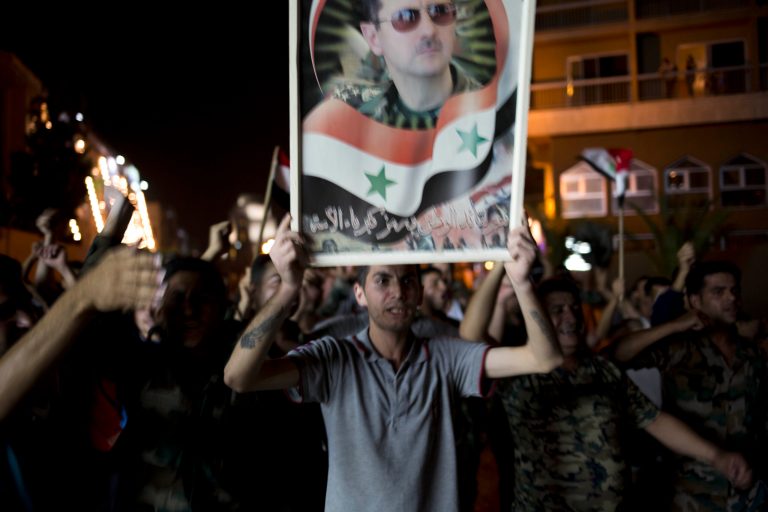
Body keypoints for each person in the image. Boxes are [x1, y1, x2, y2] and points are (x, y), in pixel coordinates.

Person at [224, 215, 563, 512]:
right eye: (382, 280)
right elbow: (238, 377)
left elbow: (544, 358)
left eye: (408, 281)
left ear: (419, 294)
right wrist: (287, 290)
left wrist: (521, 282)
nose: (398, 292)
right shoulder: (333, 358)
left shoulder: (446, 357)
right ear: (359, 294)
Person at [460, 273, 754, 511]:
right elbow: (470, 340)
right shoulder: (518, 374)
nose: (571, 317)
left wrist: (717, 456)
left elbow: (654, 420)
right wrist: (499, 269)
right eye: (558, 311)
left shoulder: (602, 370)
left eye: (575, 308)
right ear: (538, 320)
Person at [612, 260, 767, 511]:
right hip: (690, 493)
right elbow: (617, 355)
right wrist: (674, 325)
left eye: (734, 291)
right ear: (695, 301)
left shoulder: (753, 354)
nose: (731, 298)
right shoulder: (680, 349)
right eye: (718, 292)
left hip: (747, 491)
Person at [331, 0, 481, 129]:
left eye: (440, 11)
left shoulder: (489, 113)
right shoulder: (354, 123)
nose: (429, 30)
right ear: (373, 38)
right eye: (405, 17)